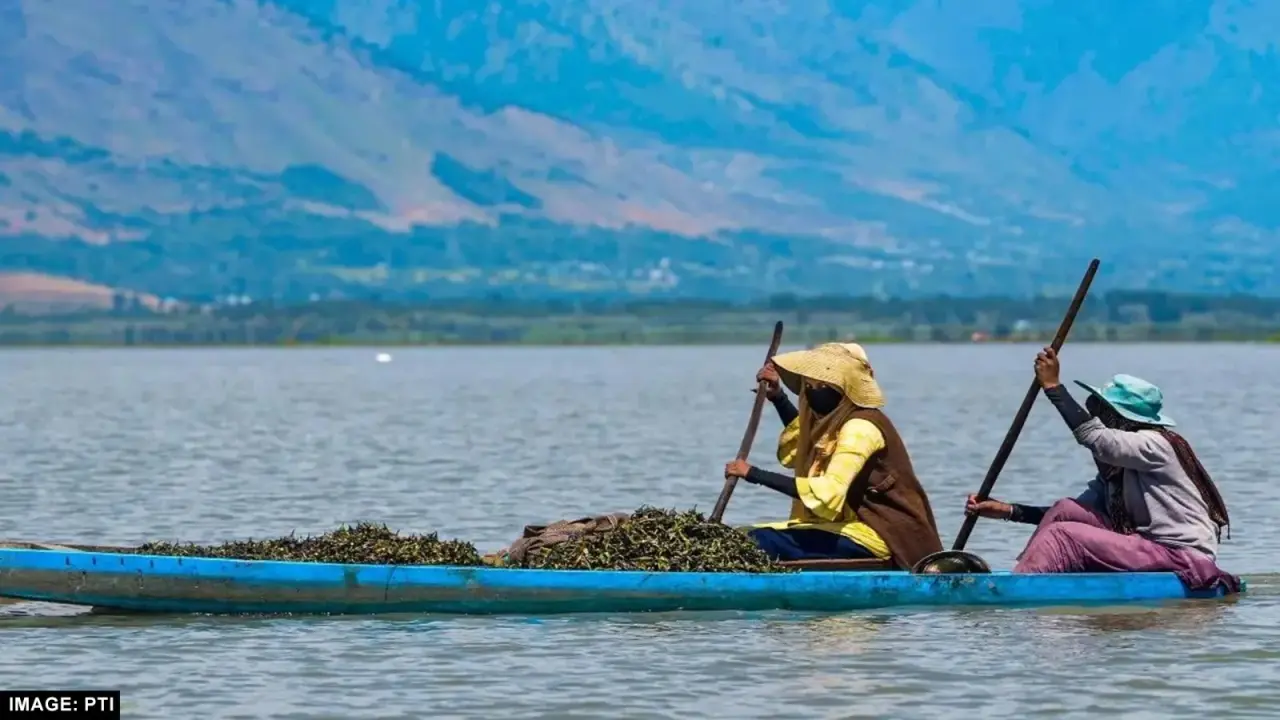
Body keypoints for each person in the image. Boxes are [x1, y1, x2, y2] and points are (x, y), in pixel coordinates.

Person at [965, 346, 1240, 592]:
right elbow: (1074, 514)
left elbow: (1097, 439)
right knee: (1065, 510)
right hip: (1145, 545)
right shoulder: (1118, 471)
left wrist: (1053, 388)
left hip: (1179, 554)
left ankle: (1016, 591)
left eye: (1103, 410)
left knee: (1063, 537)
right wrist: (1008, 511)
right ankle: (1024, 577)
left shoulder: (1154, 444)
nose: (1097, 415)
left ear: (1120, 417)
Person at [723, 342, 943, 569]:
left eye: (821, 385)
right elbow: (804, 446)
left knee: (758, 541)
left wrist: (753, 473)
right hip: (846, 528)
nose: (813, 391)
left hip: (881, 535)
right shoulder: (832, 424)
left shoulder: (861, 428)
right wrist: (779, 398)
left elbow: (827, 492)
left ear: (842, 389)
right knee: (740, 535)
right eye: (809, 384)